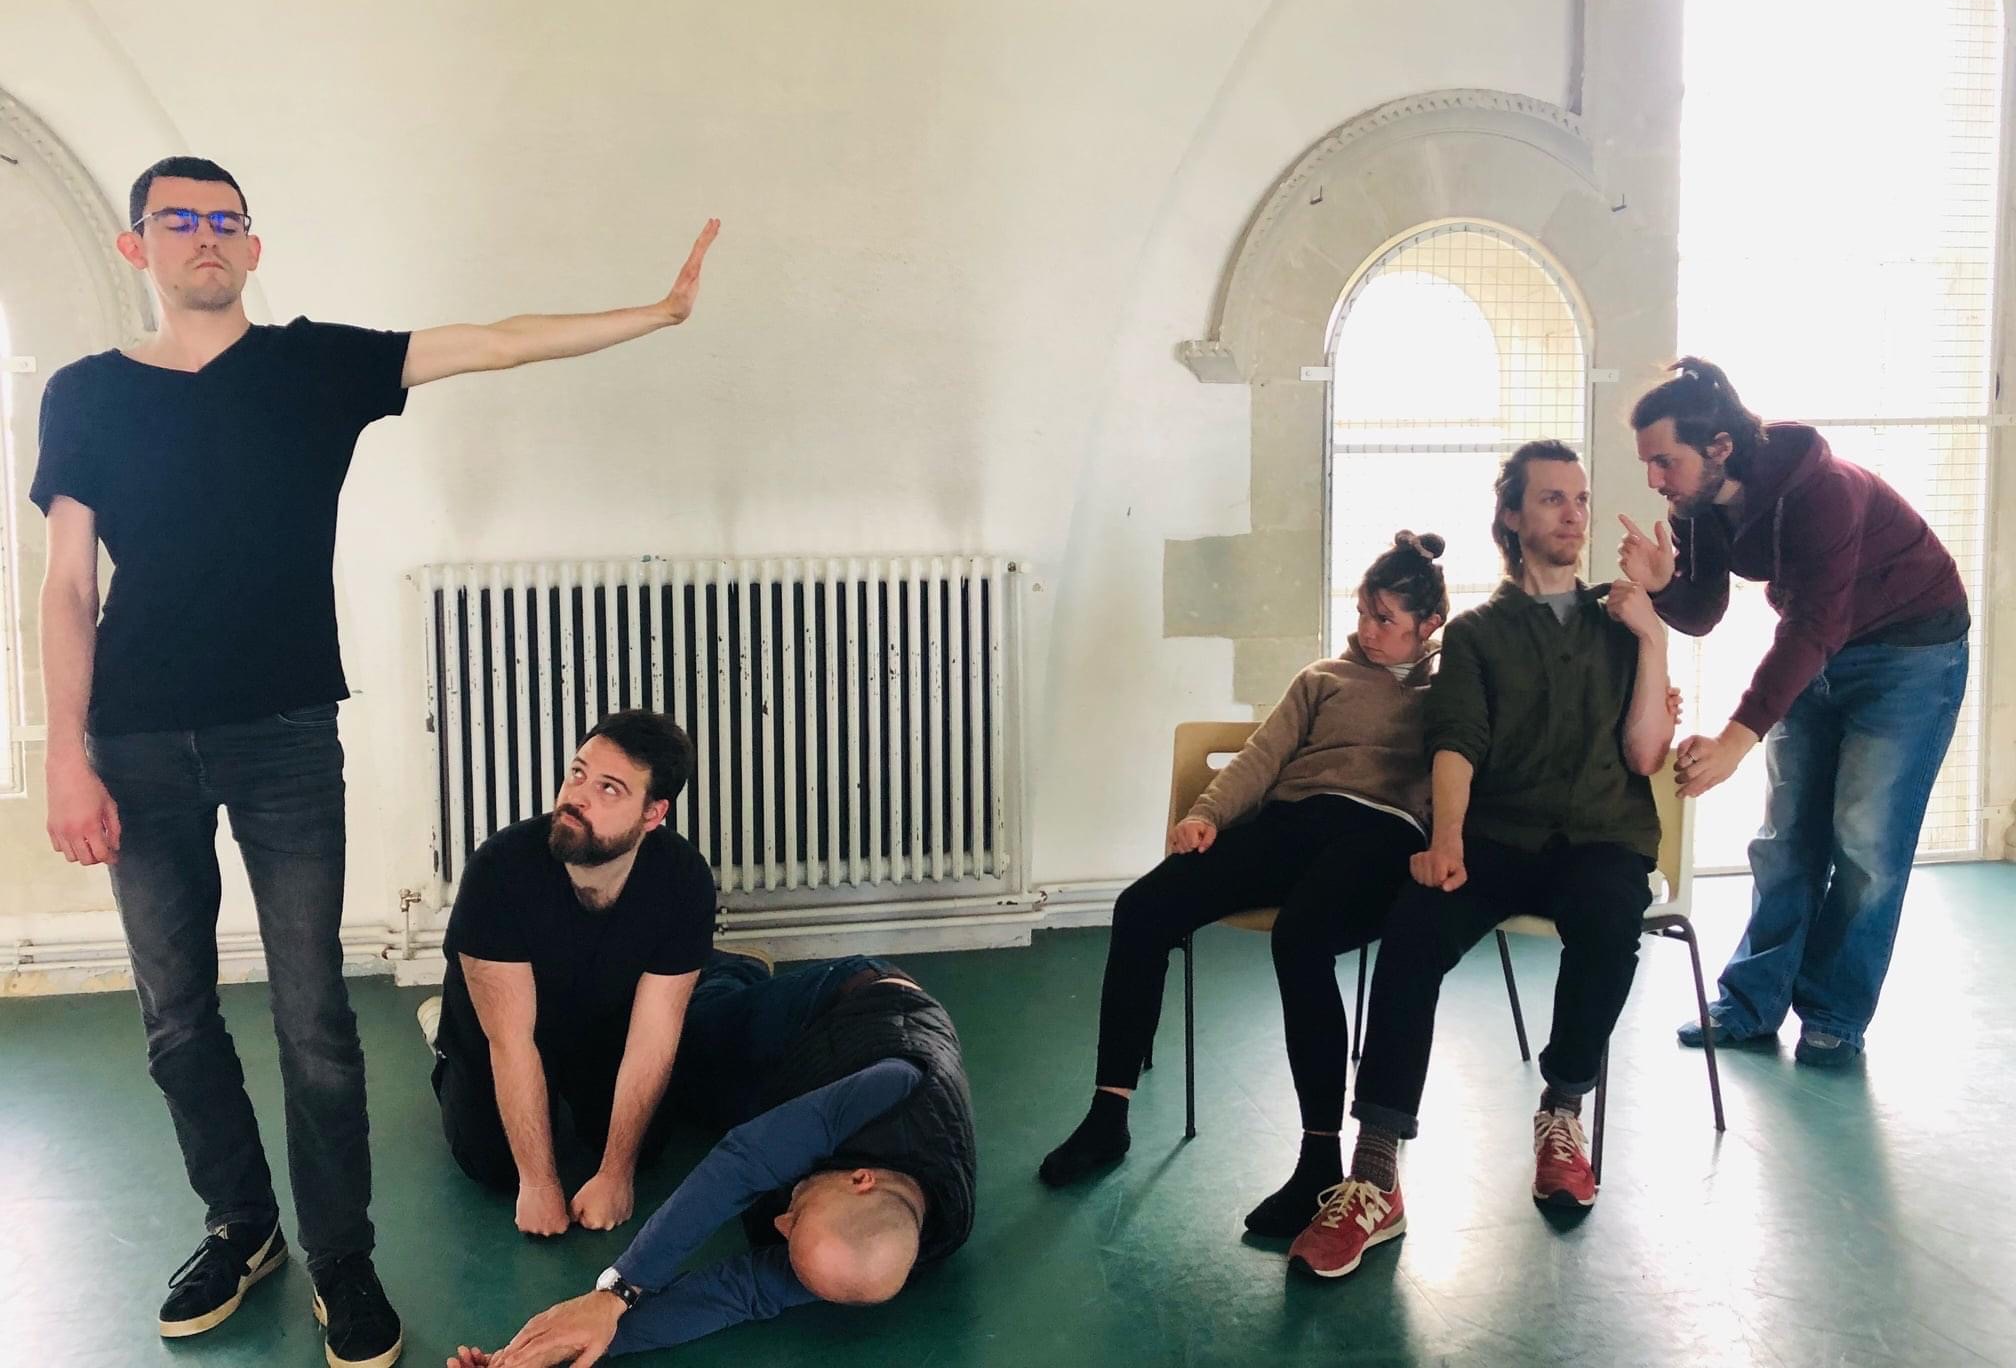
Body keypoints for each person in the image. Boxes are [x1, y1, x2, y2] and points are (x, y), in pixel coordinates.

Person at [29, 154, 718, 1367]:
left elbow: (496, 342)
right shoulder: (86, 393)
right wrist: (67, 757)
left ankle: (341, 1259)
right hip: (135, 741)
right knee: (177, 1016)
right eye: (177, 219)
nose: (203, 235)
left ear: (253, 246)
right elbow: (68, 585)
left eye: (224, 219)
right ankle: (241, 1226)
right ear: (138, 246)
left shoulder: (312, 366)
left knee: (314, 1020)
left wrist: (657, 314)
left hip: (287, 733)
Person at [1290, 441, 1675, 1281]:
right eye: (1552, 498)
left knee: (1611, 925)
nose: (1573, 513)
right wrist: (1447, 842)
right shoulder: (1475, 634)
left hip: (1603, 837)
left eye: (1580, 498)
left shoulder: (1622, 622)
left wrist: (1652, 635)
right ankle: (1376, 1173)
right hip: (1499, 837)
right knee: (1413, 932)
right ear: (1510, 515)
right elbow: (1456, 743)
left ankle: (1562, 1109)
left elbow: (1646, 754)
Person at [1038, 532, 1449, 1236]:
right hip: (1292, 821)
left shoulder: (1449, 692)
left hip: (1381, 834)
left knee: (1300, 939)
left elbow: (1469, 763)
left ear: (1429, 624)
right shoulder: (1322, 678)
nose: (1367, 629)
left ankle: (1319, 1162)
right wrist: (1206, 815)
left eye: (1386, 618)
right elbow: (1262, 757)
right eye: (1363, 611)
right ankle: (1108, 1116)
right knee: (1141, 908)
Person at [1622, 359, 1970, 1068]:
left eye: (1665, 461)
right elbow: (1705, 611)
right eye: (1649, 464)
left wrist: (1734, 740)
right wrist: (1663, 586)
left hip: (1911, 652)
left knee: (1865, 844)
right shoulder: (1699, 503)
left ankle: (1836, 1015)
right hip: (1823, 649)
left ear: (1720, 446)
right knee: (1784, 839)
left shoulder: (1824, 491)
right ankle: (1750, 1005)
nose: (1655, 479)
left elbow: (1812, 626)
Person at [447, 952, 976, 1364]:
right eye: (798, 1220)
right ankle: (732, 966)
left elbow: (742, 1294)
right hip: (844, 1005)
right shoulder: (896, 1085)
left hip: (798, 1085)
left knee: (678, 1093)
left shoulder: (878, 1255)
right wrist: (617, 1291)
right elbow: (742, 1162)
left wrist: (565, 1347)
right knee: (686, 1036)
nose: (779, 1222)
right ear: (861, 1179)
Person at [421, 711, 714, 1235]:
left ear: (652, 814)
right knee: (493, 1165)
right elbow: (511, 1042)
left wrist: (616, 1173)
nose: (577, 796)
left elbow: (653, 1038)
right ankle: (440, 1029)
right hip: (506, 1022)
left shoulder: (683, 878)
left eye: (609, 788)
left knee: (647, 1148)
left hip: (600, 1018)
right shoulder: (499, 871)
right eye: (578, 773)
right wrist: (538, 1184)